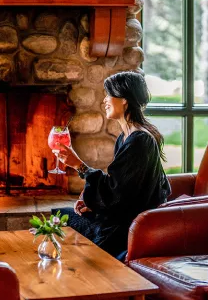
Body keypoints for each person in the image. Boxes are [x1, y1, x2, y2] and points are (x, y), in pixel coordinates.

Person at [56, 71, 171, 260]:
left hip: (124, 227)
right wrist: (91, 202)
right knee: (61, 214)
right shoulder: (126, 137)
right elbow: (121, 188)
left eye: (108, 94)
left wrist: (79, 166)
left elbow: (117, 194)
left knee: (61, 217)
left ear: (124, 99)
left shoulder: (139, 140)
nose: (104, 101)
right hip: (120, 216)